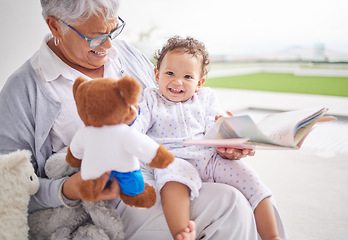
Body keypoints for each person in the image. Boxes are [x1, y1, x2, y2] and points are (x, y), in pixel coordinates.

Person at [0, 0, 274, 239]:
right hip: (110, 200)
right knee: (231, 205)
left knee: (257, 196)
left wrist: (221, 136)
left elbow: (172, 107)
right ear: (55, 26)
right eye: (95, 36)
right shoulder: (23, 91)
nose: (108, 44)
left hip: (166, 168)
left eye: (113, 29)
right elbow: (8, 190)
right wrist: (68, 189)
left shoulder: (125, 53)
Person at [134, 36, 286, 240]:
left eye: (188, 77)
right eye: (170, 73)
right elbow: (138, 123)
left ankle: (272, 236)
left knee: (253, 183)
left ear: (199, 82)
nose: (177, 81)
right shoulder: (151, 98)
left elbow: (215, 122)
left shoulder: (205, 98)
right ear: (157, 74)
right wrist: (127, 131)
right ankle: (181, 232)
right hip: (174, 159)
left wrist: (227, 128)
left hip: (210, 159)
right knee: (173, 184)